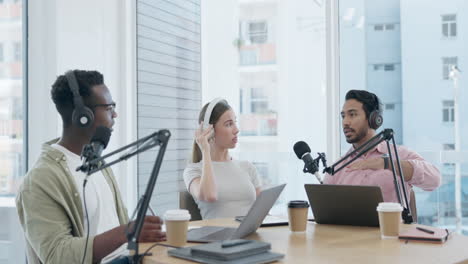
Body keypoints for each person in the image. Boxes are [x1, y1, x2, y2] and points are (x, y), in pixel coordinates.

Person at [16, 70, 165, 264]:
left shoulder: (98, 162)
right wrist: (126, 231)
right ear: (82, 116)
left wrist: (141, 233)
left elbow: (115, 229)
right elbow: (56, 256)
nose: (115, 114)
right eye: (109, 107)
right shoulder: (40, 180)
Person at [323, 90, 441, 203]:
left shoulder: (400, 154)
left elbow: (435, 180)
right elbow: (324, 208)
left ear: (373, 119)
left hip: (389, 224)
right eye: (343, 116)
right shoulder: (337, 168)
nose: (345, 122)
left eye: (352, 115)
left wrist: (387, 164)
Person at [183, 98, 261, 219]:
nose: (236, 130)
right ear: (209, 130)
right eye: (229, 124)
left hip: (249, 236)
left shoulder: (247, 167)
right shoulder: (193, 171)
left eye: (235, 122)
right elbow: (209, 196)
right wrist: (205, 150)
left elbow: (262, 209)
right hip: (217, 237)